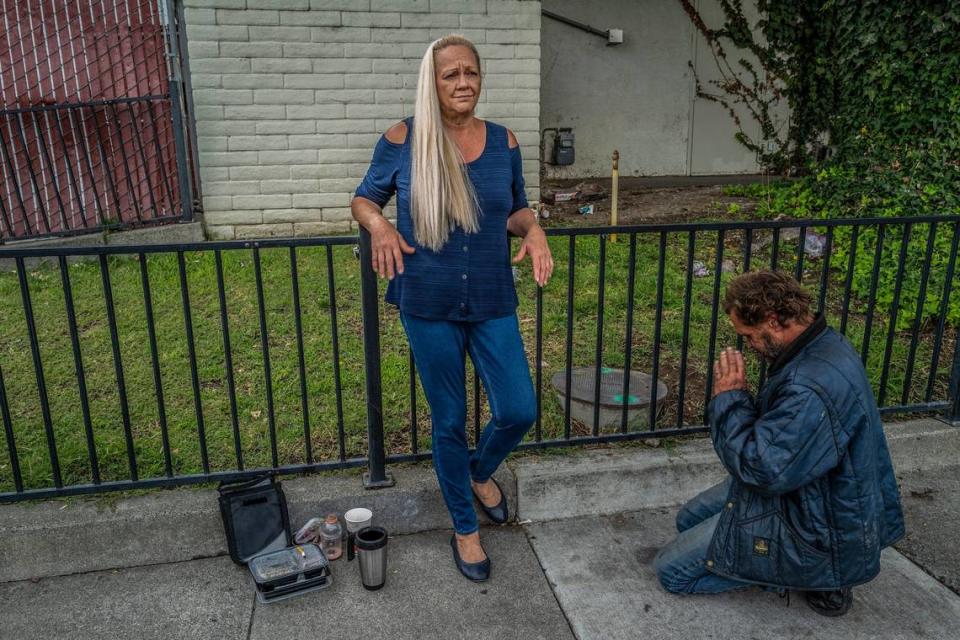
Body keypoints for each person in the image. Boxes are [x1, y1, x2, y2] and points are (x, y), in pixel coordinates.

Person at [350, 34, 553, 582]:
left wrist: (534, 231)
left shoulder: (504, 142)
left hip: (491, 298)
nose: (464, 82)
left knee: (518, 409)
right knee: (449, 420)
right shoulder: (403, 138)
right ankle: (465, 528)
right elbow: (364, 197)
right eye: (450, 75)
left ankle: (479, 472)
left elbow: (515, 209)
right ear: (432, 82)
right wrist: (380, 225)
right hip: (429, 300)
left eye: (471, 72)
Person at [654, 270, 905, 616]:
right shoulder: (822, 344)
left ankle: (812, 577)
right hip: (807, 491)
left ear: (773, 321)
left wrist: (730, 398)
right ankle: (789, 569)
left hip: (815, 523)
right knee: (687, 520)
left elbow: (760, 469)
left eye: (749, 335)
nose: (748, 345)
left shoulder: (808, 387)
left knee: (672, 573)